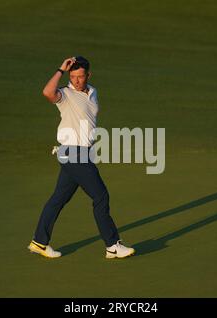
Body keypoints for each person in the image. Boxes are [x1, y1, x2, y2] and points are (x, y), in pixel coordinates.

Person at [28, 56, 135, 259]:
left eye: (80, 76)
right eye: (73, 77)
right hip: (73, 153)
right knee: (100, 196)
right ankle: (112, 245)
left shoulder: (93, 92)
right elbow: (47, 92)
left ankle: (39, 242)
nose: (76, 81)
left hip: (82, 153)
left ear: (88, 75)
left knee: (59, 198)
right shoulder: (66, 94)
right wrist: (60, 69)